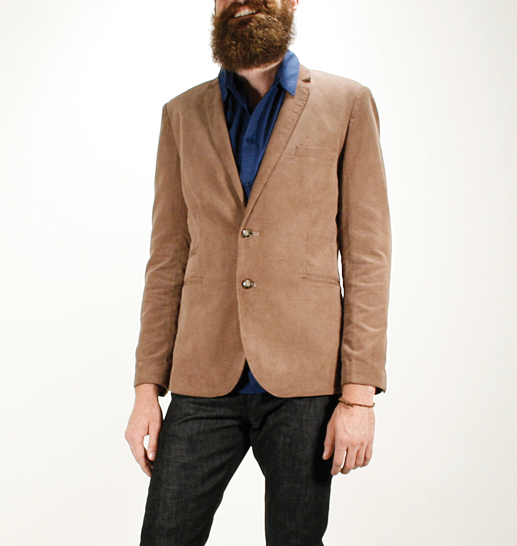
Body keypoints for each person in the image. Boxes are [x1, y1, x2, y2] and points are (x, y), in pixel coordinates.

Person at [124, 0, 391, 544]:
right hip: (202, 374)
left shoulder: (346, 102)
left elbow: (367, 255)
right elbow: (167, 257)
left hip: (306, 380)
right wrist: (146, 389)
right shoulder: (181, 114)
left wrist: (358, 396)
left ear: (292, 2)